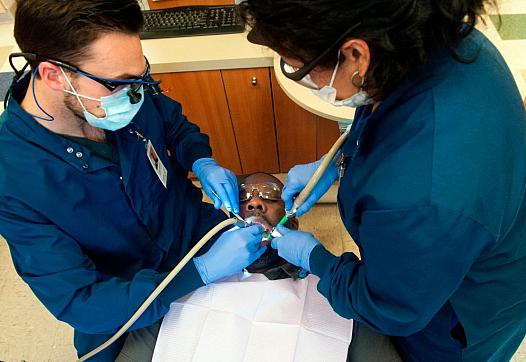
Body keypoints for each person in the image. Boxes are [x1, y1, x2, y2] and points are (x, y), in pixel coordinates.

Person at [239, 0, 526, 361]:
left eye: (297, 67)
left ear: (355, 55)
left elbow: (391, 308)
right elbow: (388, 113)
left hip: (462, 311)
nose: (256, 203)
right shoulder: (432, 44)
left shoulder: (423, 198)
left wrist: (318, 260)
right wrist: (343, 160)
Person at [0, 1, 266, 361]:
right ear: (53, 75)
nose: (136, 94)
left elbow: (173, 124)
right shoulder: (12, 177)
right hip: (124, 299)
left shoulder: (123, 86)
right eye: (118, 84)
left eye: (141, 75)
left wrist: (200, 160)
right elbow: (79, 300)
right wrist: (197, 274)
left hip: (190, 232)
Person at [151, 172, 353, 361]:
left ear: (293, 224)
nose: (255, 202)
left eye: (270, 196)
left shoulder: (334, 285)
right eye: (244, 197)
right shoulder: (194, 274)